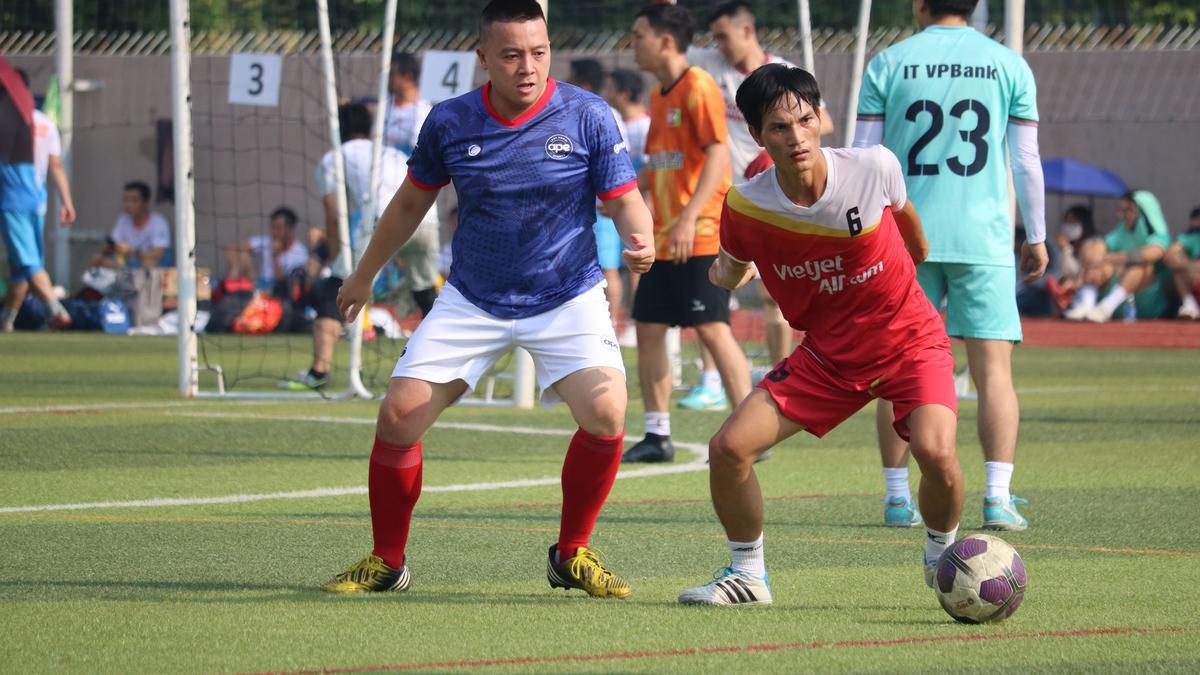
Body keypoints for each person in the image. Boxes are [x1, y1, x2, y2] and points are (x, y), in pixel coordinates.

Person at [320, 0, 655, 597]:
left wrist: (641, 235)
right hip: (472, 298)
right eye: (511, 55)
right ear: (482, 58)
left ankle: (571, 553)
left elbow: (624, 196)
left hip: (567, 296)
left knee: (607, 413)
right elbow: (409, 203)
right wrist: (364, 275)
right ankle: (387, 561)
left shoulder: (588, 114)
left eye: (539, 53)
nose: (528, 67)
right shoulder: (450, 121)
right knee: (397, 417)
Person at [678, 64, 962, 605]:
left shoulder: (873, 167)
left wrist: (906, 277)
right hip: (828, 358)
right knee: (728, 449)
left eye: (806, 120)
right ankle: (749, 575)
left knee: (935, 452)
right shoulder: (746, 205)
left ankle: (943, 553)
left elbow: (913, 235)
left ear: (821, 119)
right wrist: (723, 274)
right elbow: (730, 272)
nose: (797, 137)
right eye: (779, 128)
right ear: (758, 135)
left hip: (910, 342)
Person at [854, 0, 1048, 531]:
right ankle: (997, 498)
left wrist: (855, 234)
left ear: (920, 4)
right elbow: (1025, 160)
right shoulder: (1008, 64)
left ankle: (897, 498)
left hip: (902, 237)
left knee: (895, 367)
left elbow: (863, 157)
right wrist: (1036, 235)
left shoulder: (889, 62)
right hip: (982, 238)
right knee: (994, 372)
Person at [679, 1, 837, 410]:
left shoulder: (781, 73)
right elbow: (672, 44)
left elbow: (823, 121)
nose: (718, 45)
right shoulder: (710, 65)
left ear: (747, 31)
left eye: (724, 36)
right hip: (726, 200)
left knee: (774, 294)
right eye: (714, 38)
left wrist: (778, 145)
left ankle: (784, 371)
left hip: (774, 197)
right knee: (716, 290)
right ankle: (711, 380)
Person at [622, 3, 751, 464]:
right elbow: (663, 163)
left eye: (639, 35)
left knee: (712, 328)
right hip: (664, 237)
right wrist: (621, 192)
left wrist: (689, 217)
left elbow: (718, 155)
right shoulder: (660, 94)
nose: (633, 44)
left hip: (699, 234)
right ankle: (657, 435)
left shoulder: (698, 85)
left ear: (665, 41)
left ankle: (749, 432)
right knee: (649, 327)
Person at [285, 103, 437, 391]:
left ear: (338, 129)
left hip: (386, 218)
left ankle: (318, 372)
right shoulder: (392, 152)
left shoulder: (335, 157)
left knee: (334, 287)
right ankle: (445, 368)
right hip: (427, 220)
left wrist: (335, 257)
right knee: (425, 293)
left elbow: (334, 214)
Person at [0, 67, 76, 332]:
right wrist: (67, 201)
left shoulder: (7, 122)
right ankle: (7, 320)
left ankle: (58, 312)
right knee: (20, 266)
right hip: (37, 201)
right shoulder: (45, 122)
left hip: (12, 201)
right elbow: (55, 165)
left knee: (29, 263)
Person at [569, 58, 629, 330]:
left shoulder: (603, 113)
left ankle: (611, 326)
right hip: (583, 207)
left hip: (600, 206)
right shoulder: (580, 110)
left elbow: (618, 164)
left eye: (571, 75)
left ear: (582, 81)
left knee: (607, 268)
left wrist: (607, 198)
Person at [1063, 190, 1172, 322]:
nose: (1123, 215)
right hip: (1122, 297)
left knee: (1140, 266)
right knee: (1096, 255)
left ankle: (1105, 309)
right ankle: (1086, 304)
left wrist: (1114, 259)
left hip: (1150, 301)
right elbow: (1099, 247)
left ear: (1144, 212)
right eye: (1121, 210)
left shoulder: (1159, 234)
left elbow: (1150, 254)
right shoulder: (1122, 230)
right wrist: (1095, 261)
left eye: (1129, 210)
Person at [222, 206, 308, 291]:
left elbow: (282, 283)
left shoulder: (300, 253)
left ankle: (230, 290)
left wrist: (275, 258)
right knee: (243, 255)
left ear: (290, 229)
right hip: (259, 286)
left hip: (280, 291)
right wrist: (236, 267)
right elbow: (231, 248)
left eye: (278, 228)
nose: (274, 232)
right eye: (272, 227)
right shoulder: (266, 241)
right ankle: (231, 291)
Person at [92, 181, 171, 270]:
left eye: (134, 200)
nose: (128, 205)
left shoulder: (158, 222)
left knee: (148, 263)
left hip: (155, 268)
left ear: (146, 203)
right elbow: (114, 246)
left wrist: (133, 251)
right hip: (129, 265)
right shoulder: (123, 219)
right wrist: (109, 249)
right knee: (98, 259)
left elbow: (159, 253)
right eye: (126, 200)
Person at [1165, 206, 1200, 319]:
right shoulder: (1191, 237)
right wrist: (1190, 267)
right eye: (1196, 218)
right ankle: (1190, 306)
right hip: (1195, 282)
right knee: (1177, 267)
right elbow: (1170, 255)